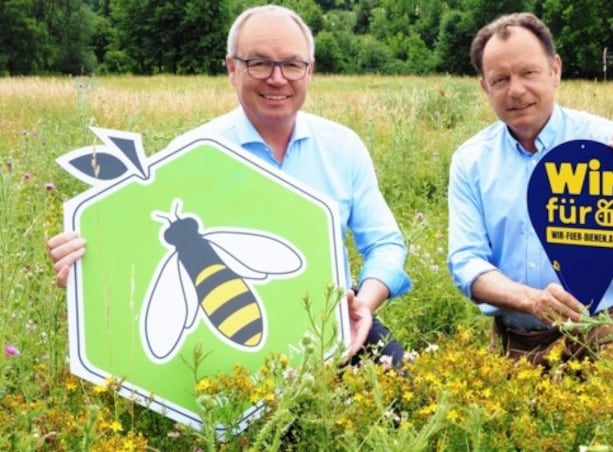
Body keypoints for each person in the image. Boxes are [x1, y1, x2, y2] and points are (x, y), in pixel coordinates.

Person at [47, 5, 410, 367]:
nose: (278, 78)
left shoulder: (343, 147)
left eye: (292, 64)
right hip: (226, 352)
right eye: (259, 62)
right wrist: (86, 271)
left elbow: (385, 244)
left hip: (334, 327)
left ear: (310, 71)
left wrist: (363, 304)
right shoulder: (188, 157)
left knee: (405, 397)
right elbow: (135, 255)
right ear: (232, 68)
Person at [447, 12, 613, 370]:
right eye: (500, 79)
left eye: (529, 73)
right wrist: (530, 300)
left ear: (555, 71)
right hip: (516, 334)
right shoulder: (472, 161)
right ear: (485, 88)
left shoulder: (607, 144)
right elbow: (467, 263)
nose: (516, 90)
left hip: (604, 325)